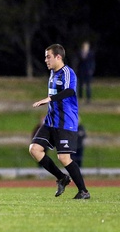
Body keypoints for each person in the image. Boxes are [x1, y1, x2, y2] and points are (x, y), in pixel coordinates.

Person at [29, 44, 90, 199]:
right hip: (50, 121)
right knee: (34, 150)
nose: (45, 60)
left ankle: (83, 191)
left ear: (58, 57)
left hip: (66, 121)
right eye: (45, 57)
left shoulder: (67, 72)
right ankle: (61, 178)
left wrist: (49, 99)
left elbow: (70, 91)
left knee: (63, 158)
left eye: (48, 56)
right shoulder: (52, 74)